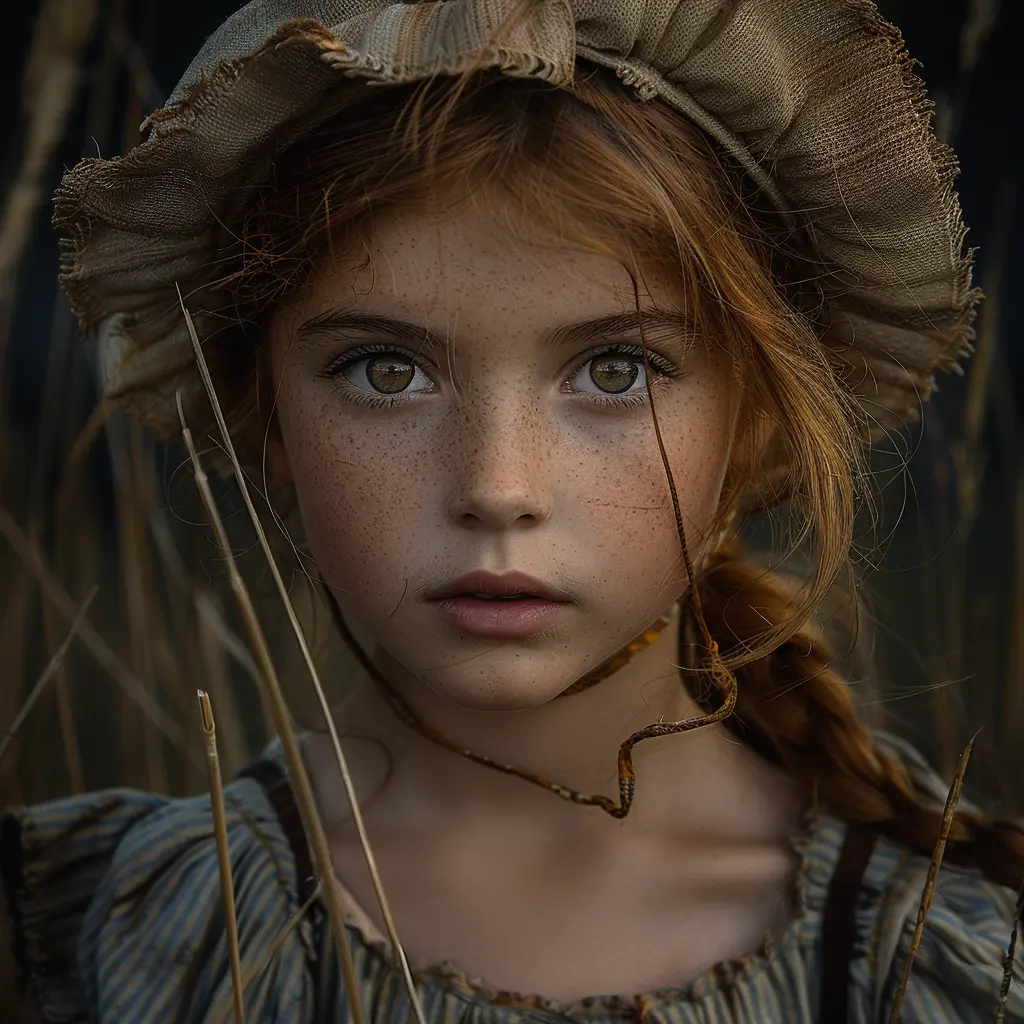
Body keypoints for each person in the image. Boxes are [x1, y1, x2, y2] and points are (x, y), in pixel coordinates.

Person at [2, 0, 1022, 1020]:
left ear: (749, 418)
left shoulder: (930, 952)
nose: (497, 487)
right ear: (264, 411)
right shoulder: (138, 932)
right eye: (387, 370)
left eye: (615, 369)